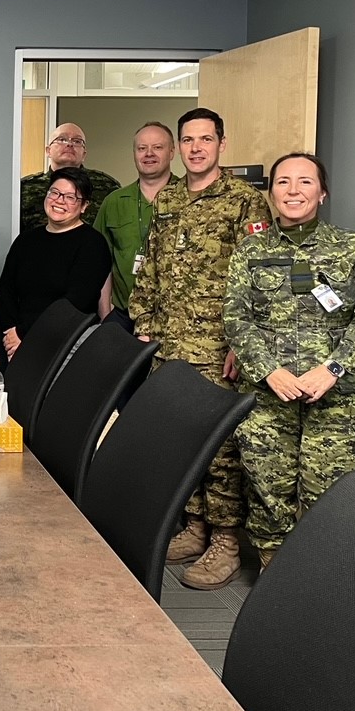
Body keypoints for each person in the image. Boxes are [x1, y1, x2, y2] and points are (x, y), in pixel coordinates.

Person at [224, 153, 355, 571]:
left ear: (323, 192)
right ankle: (273, 575)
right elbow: (236, 317)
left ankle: (322, 584)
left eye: (304, 182)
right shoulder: (251, 249)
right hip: (268, 396)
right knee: (267, 487)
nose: (293, 191)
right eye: (282, 182)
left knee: (333, 491)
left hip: (334, 398)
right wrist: (269, 371)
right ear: (271, 192)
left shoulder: (354, 250)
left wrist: (332, 369)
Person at [129, 107, 272, 590]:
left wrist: (243, 342)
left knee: (221, 449)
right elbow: (147, 265)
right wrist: (145, 325)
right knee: (181, 440)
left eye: (204, 139)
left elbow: (261, 278)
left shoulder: (244, 202)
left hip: (218, 348)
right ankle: (195, 527)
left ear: (221, 144)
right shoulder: (167, 199)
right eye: (187, 140)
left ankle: (227, 541)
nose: (195, 148)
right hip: (169, 345)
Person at [0, 166, 111, 360]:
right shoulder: (26, 240)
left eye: (70, 197)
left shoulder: (93, 244)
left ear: (84, 206)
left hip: (67, 342)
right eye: (55, 193)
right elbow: (6, 291)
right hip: (17, 342)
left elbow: (76, 301)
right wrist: (11, 333)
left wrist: (25, 333)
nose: (59, 201)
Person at [93, 121, 181, 330]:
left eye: (157, 147)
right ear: (134, 153)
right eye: (142, 148)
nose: (149, 154)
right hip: (124, 317)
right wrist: (106, 315)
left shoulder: (187, 199)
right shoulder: (114, 202)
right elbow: (101, 262)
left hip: (177, 321)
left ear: (172, 152)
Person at [18, 122, 120, 232]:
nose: (69, 144)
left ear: (84, 154)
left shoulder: (107, 186)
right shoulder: (25, 187)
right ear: (48, 151)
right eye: (62, 139)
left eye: (77, 141)